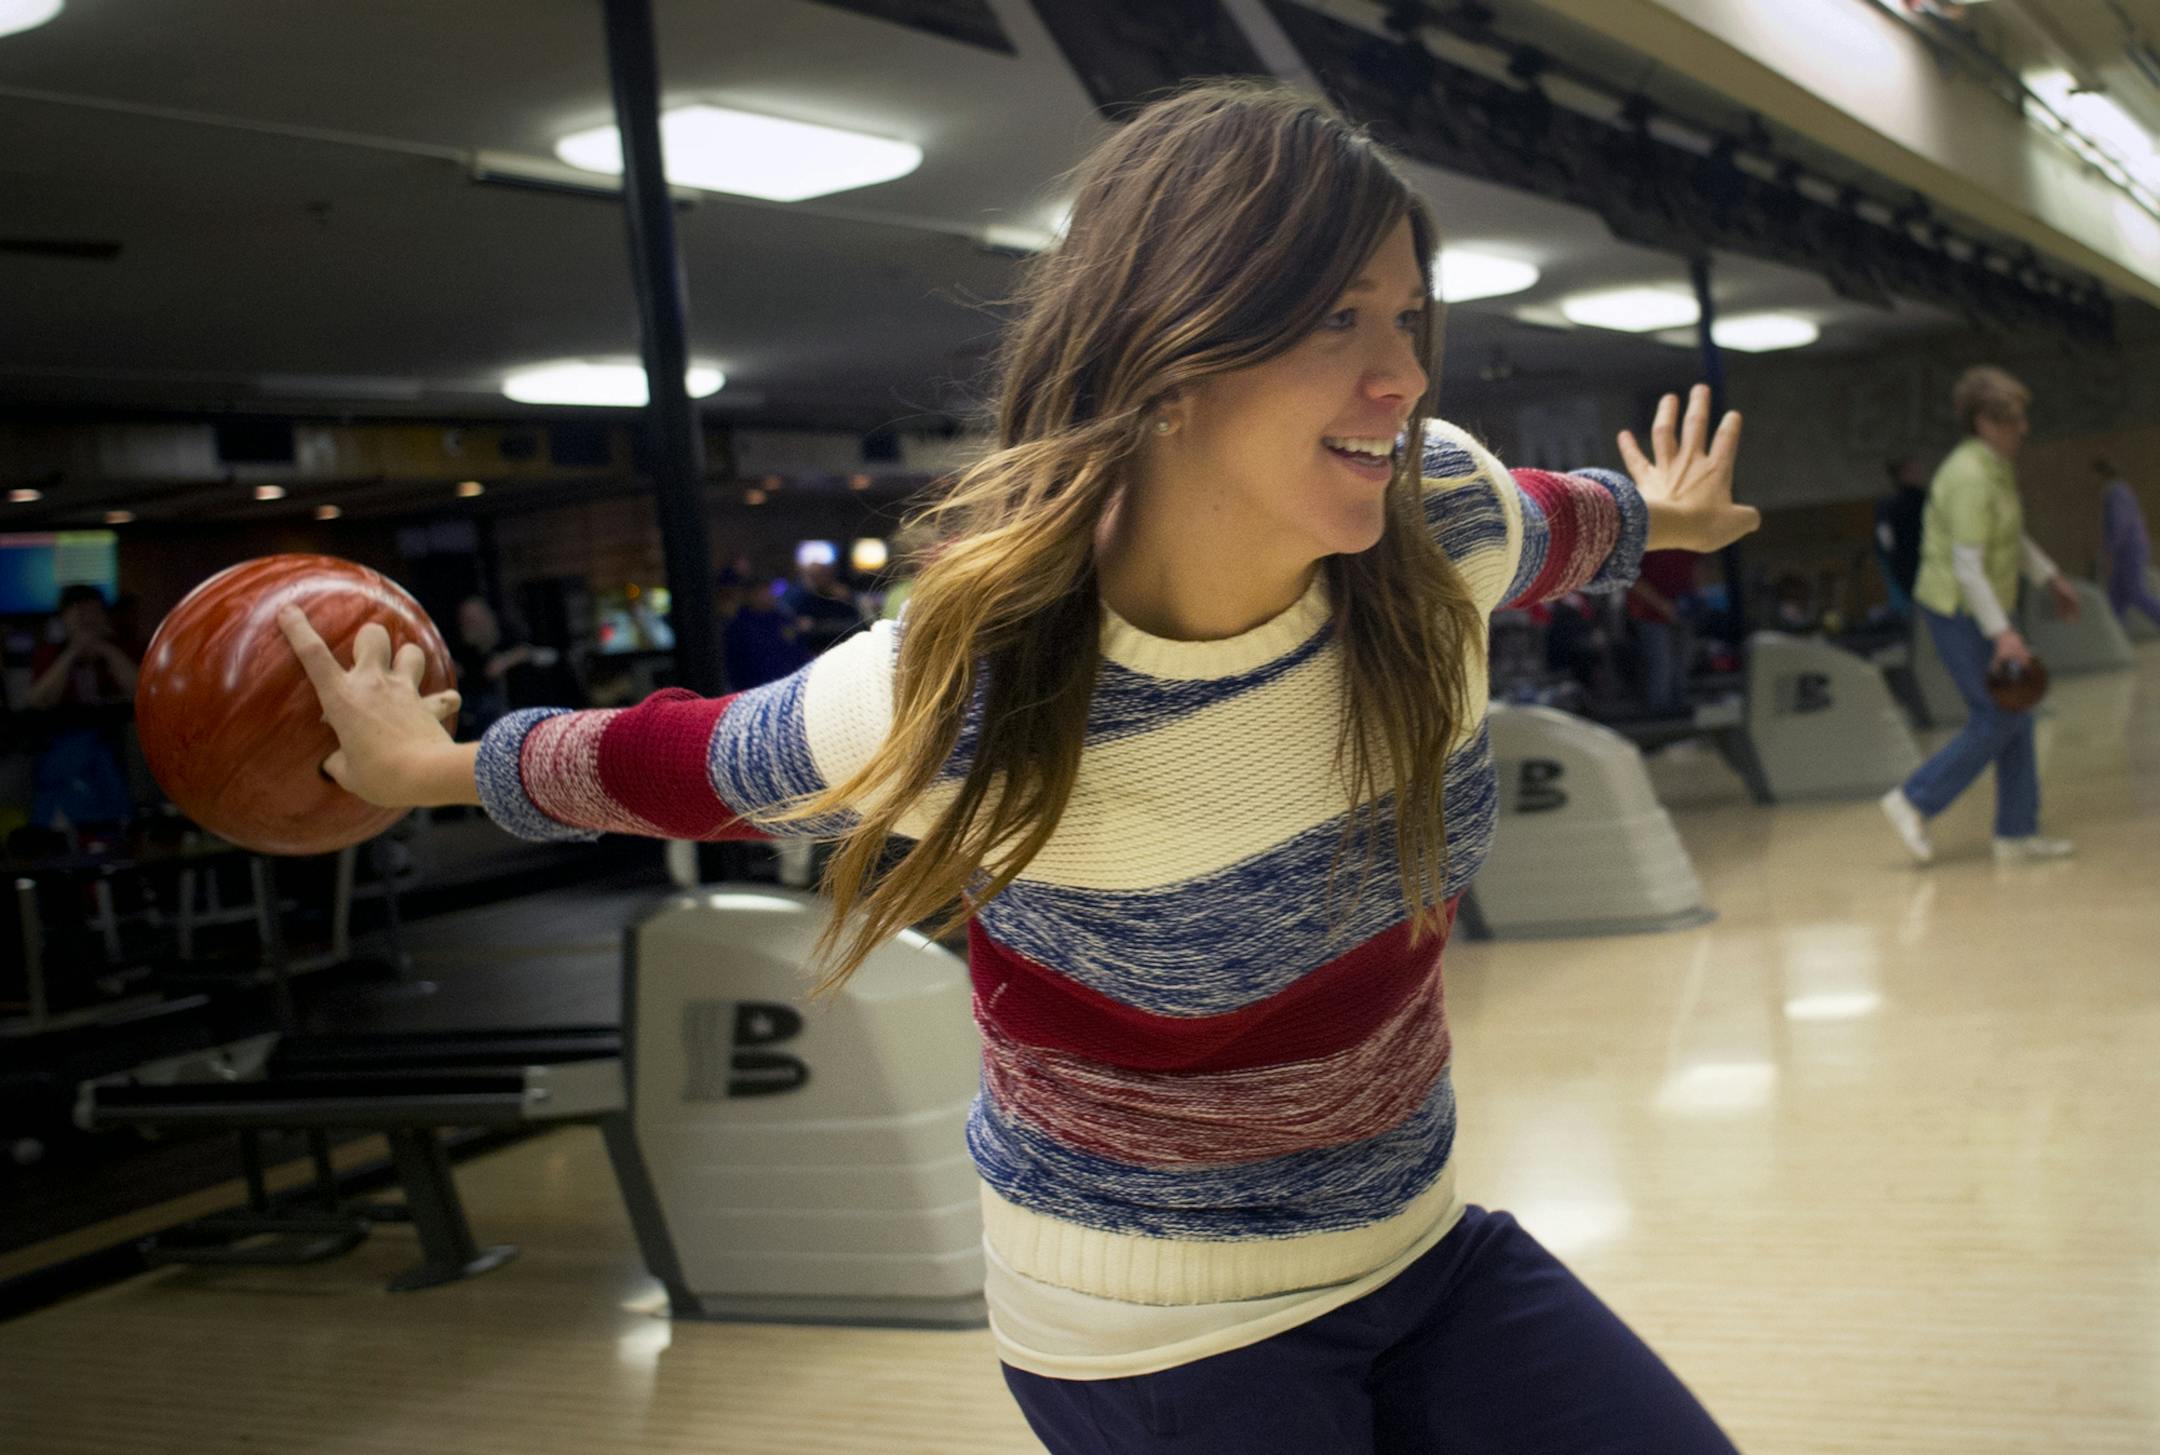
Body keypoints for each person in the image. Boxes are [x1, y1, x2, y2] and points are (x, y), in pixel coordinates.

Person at [277, 82, 1758, 1454]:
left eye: (1409, 318)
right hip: (1161, 1331)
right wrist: (433, 764)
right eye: (1336, 323)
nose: (1399, 376)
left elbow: (1566, 520)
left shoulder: (1434, 517)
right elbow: (698, 759)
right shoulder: (991, 674)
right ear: (1171, 356)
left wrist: (1666, 518)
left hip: (1417, 1243)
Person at [1881, 366, 2080, 865]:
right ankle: (1912, 800)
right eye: (2014, 419)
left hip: (1986, 603)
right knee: (1997, 714)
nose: (2024, 428)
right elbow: (1967, 567)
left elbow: (2009, 539)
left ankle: (2016, 833)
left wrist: (2050, 577)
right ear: (1986, 422)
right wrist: (2005, 635)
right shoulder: (1968, 476)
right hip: (1957, 608)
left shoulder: (1994, 467)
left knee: (2017, 712)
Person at [26, 583, 139, 830]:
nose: (87, 621)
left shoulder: (121, 647)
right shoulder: (50, 653)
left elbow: (140, 691)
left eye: (94, 613)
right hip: (63, 746)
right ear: (64, 619)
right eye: (79, 614)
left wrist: (107, 651)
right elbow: (37, 700)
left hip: (115, 744)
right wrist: (72, 653)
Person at [450, 596, 558, 735]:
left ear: (489, 617)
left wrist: (516, 657)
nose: (471, 625)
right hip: (483, 729)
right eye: (466, 621)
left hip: (526, 721)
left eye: (476, 619)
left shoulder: (512, 639)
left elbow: (552, 656)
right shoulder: (464, 655)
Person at [1627, 548, 1698, 716]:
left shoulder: (1687, 541)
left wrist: (1694, 598)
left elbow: (1696, 569)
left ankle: (1679, 711)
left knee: (1683, 661)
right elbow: (1633, 579)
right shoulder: (1648, 543)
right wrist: (1662, 605)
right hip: (1649, 613)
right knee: (1661, 663)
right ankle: (1660, 716)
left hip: (1682, 608)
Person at [717, 567, 811, 690]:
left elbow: (798, 649)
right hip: (755, 688)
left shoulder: (783, 618)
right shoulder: (739, 626)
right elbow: (736, 665)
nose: (768, 596)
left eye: (769, 591)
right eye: (762, 592)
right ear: (750, 595)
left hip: (791, 684)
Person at [2096, 459, 2160, 632]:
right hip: (2129, 549)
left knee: (2135, 592)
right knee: (2116, 597)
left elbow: (2119, 524)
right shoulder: (2123, 491)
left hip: (2128, 551)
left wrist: (2109, 550)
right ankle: (2113, 633)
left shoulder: (2116, 492)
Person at [1875, 455, 1929, 614]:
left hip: (1917, 556)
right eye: (1913, 470)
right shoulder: (1891, 502)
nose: (1919, 473)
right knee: (1906, 602)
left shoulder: (1921, 497)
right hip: (1903, 558)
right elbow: (1885, 536)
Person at [782, 560, 865, 655]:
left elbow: (856, 625)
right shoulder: (796, 598)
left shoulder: (841, 597)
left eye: (827, 575)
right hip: (808, 655)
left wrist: (850, 598)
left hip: (841, 651)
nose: (824, 579)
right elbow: (791, 630)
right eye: (817, 576)